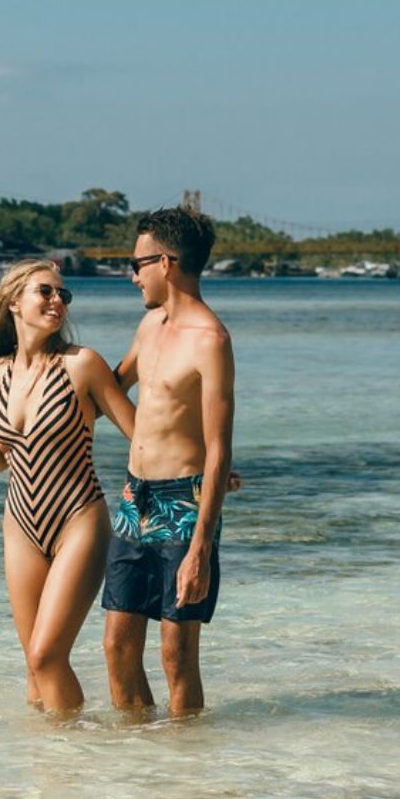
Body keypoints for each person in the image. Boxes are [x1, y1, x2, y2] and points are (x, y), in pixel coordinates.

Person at [0, 259, 135, 715]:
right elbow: (0, 459)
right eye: (46, 292)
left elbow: (142, 435)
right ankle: (46, 771)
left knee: (47, 655)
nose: (58, 301)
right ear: (15, 301)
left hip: (78, 518)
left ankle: (76, 758)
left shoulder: (83, 365)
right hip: (20, 523)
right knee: (33, 666)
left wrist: (203, 470)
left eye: (63, 295)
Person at [103, 206, 235, 717]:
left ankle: (184, 774)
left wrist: (201, 544)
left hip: (185, 502)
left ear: (168, 262)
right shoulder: (149, 326)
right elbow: (110, 389)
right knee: (117, 646)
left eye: (137, 263)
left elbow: (219, 444)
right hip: (136, 496)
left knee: (176, 655)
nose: (131, 274)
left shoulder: (211, 341)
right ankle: (139, 766)